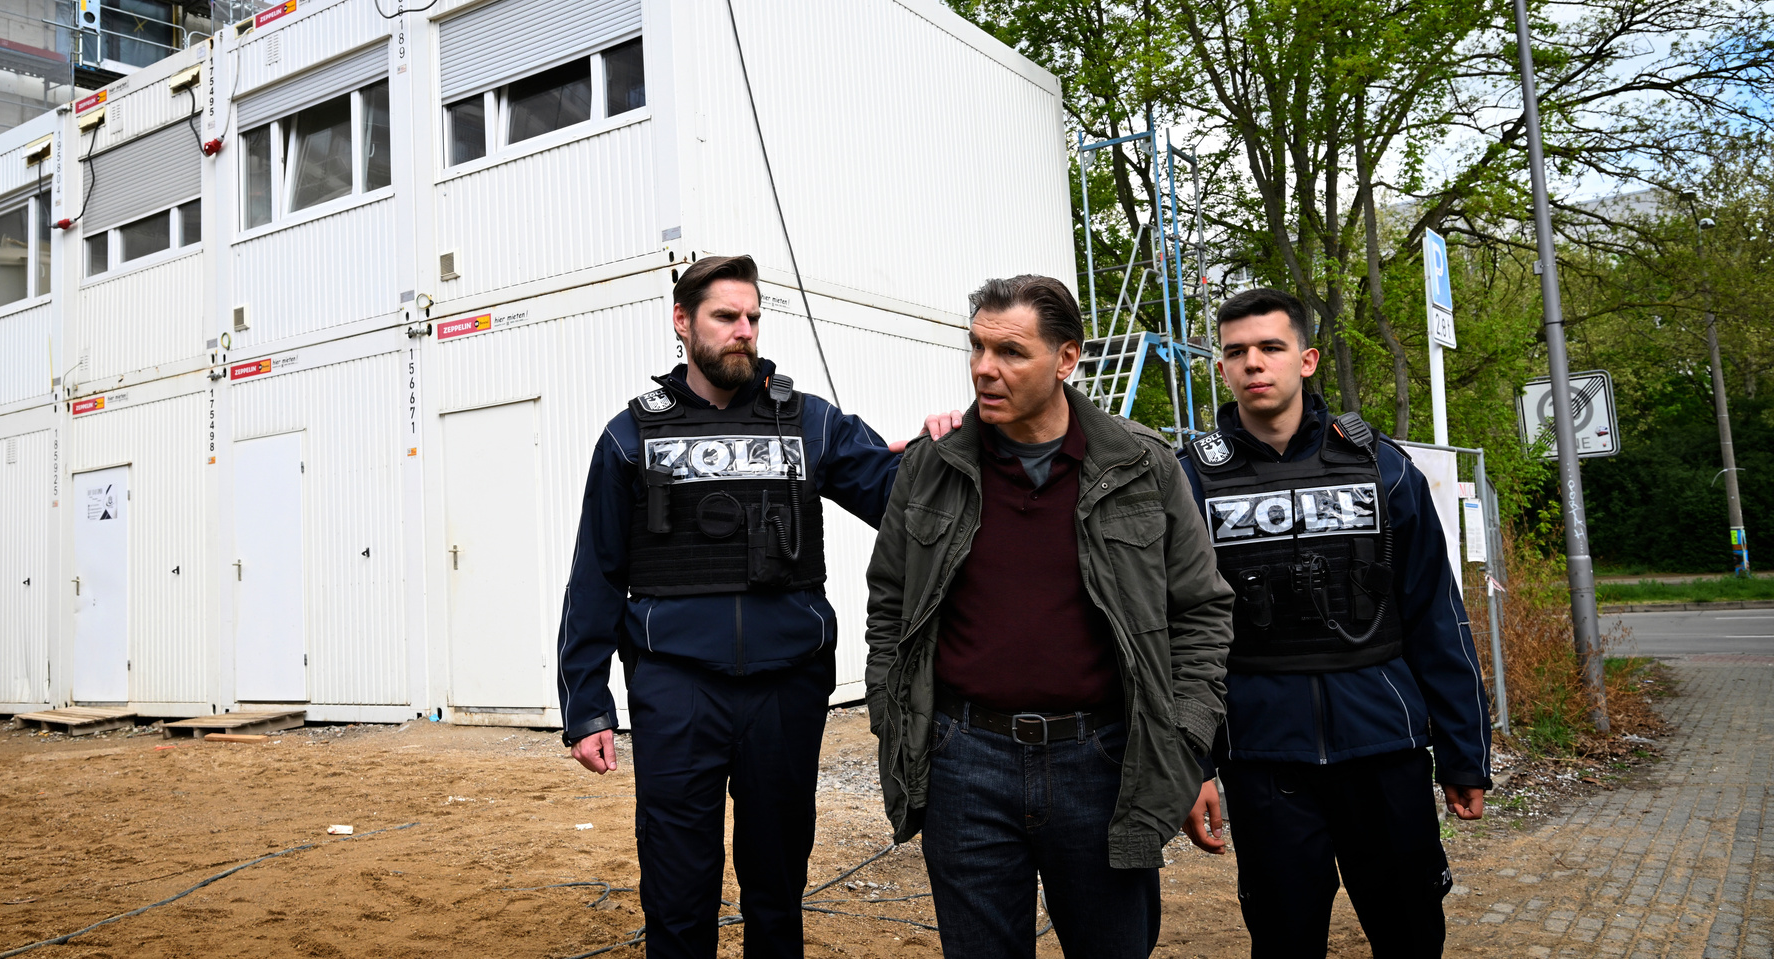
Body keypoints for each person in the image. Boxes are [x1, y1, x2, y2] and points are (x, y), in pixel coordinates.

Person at [556, 254, 956, 959]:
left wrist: (948, 447)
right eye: (726, 316)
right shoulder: (631, 435)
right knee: (677, 890)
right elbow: (596, 574)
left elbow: (900, 500)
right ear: (682, 322)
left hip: (785, 684)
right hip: (675, 686)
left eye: (753, 317)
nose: (744, 330)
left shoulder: (809, 422)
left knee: (777, 886)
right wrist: (587, 704)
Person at [864, 274, 1234, 959]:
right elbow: (889, 603)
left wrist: (1182, 745)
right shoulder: (930, 466)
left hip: (1103, 763)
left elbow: (1201, 612)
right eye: (977, 347)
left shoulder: (1142, 464)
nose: (984, 367)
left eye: (1010, 351)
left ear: (1066, 359)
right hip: (964, 763)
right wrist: (895, 718)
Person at [1174, 287, 1492, 958]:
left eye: (1271, 347)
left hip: (1386, 749)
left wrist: (1465, 752)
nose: (1253, 363)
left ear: (1307, 359)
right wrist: (1192, 763)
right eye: (1236, 351)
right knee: (1284, 942)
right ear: (1222, 367)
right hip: (1265, 760)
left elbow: (1437, 615)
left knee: (1411, 935)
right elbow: (1174, 637)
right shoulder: (1190, 482)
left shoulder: (1381, 467)